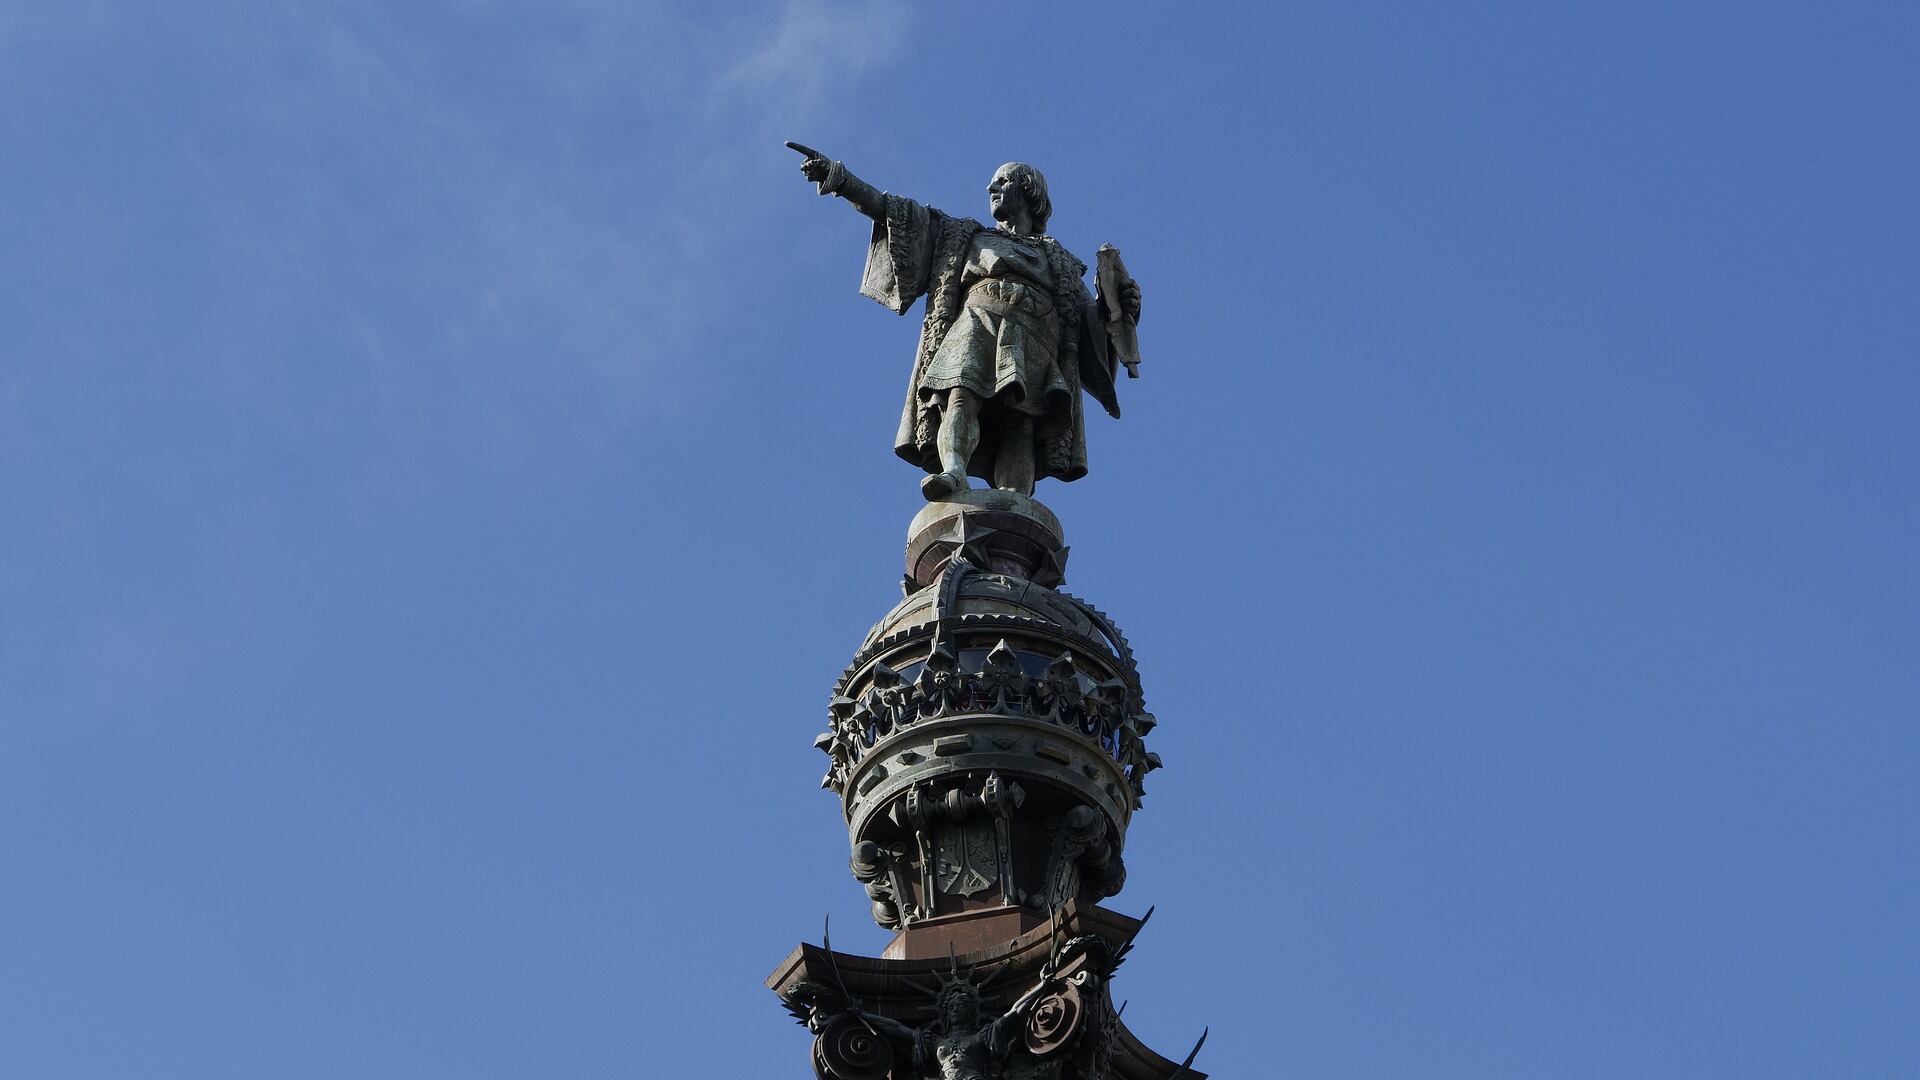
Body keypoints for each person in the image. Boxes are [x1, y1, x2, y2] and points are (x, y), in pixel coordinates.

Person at [789, 144, 1143, 500]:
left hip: (1036, 336)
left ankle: (1015, 499)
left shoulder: (1061, 263)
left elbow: (1092, 324)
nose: (991, 189)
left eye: (1002, 181)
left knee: (1022, 421)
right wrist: (841, 180)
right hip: (977, 322)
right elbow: (897, 213)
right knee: (959, 396)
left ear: (1029, 191)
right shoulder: (965, 236)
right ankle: (954, 472)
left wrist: (1122, 305)